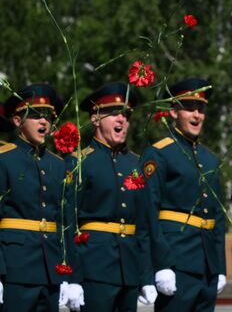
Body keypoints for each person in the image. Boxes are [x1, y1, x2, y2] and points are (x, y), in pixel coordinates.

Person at [66, 82, 156, 311]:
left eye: (126, 115)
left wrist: (146, 276)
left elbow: (143, 226)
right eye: (114, 114)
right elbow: (68, 223)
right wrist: (73, 277)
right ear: (95, 119)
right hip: (94, 270)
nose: (121, 120)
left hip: (129, 270)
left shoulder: (135, 164)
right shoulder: (79, 162)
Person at [140, 78, 226, 312]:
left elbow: (217, 218)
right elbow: (149, 214)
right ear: (173, 112)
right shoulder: (159, 153)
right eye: (189, 109)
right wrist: (160, 265)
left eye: (201, 109)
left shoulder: (210, 159)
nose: (197, 115)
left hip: (207, 265)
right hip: (177, 262)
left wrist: (220, 267)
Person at [0, 83, 83, 311]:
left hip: (51, 271)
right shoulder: (4, 159)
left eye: (47, 116)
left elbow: (66, 222)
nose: (44, 122)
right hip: (15, 269)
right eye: (36, 115)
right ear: (17, 121)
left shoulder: (58, 164)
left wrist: (72, 274)